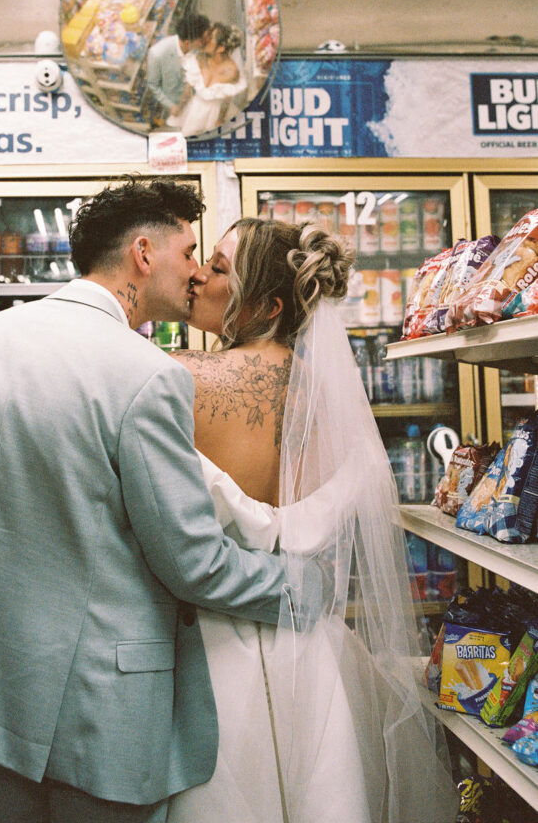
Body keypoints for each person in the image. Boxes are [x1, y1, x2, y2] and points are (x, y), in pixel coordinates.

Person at [0, 179, 289, 823]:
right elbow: (193, 561)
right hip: (101, 706)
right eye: (189, 251)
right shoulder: (145, 372)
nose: (196, 273)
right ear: (144, 254)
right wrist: (301, 587)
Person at [168, 217, 459, 823]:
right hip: (312, 650)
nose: (198, 274)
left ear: (267, 303)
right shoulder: (333, 401)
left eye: (219, 268)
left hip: (208, 658)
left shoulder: (179, 378)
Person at [169, 22, 247, 138]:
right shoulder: (199, 58)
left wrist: (220, 120)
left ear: (221, 48)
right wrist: (179, 107)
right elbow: (188, 88)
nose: (205, 40)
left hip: (214, 115)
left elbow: (227, 98)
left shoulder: (231, 71)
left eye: (211, 38)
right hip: (194, 109)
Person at [145, 13, 210, 127]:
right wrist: (170, 106)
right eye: (202, 40)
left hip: (195, 100)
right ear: (187, 43)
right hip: (174, 103)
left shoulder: (199, 50)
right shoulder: (157, 54)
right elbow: (153, 85)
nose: (206, 41)